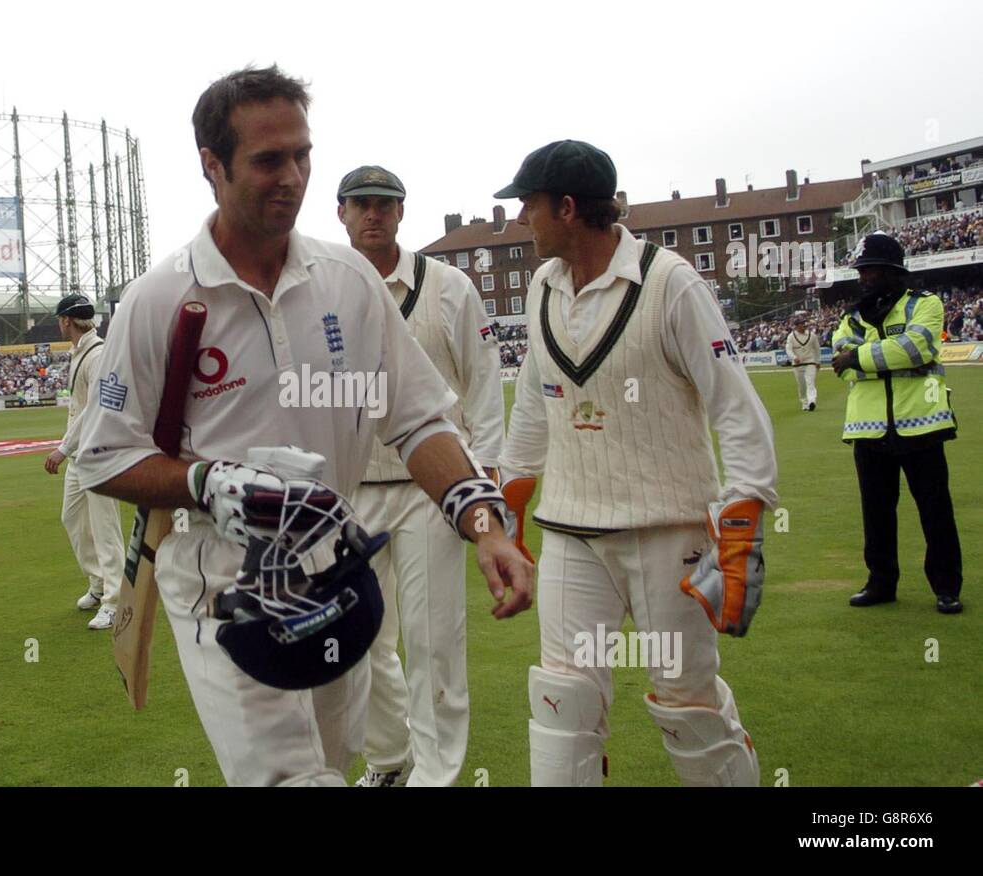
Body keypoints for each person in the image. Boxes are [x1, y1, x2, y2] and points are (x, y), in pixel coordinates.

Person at [72, 65, 533, 787]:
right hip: (222, 585)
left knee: (330, 765)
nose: (291, 177)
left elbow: (418, 420)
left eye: (302, 155)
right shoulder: (161, 299)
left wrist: (485, 521)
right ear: (211, 165)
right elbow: (101, 457)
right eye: (267, 160)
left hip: (334, 575)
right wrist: (207, 480)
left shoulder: (347, 282)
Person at [494, 140, 778, 786]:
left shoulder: (670, 282)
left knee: (689, 708)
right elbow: (537, 406)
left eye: (528, 205)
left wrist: (742, 517)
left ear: (567, 208)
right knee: (562, 704)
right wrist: (510, 499)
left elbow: (735, 406)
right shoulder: (542, 287)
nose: (520, 219)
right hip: (570, 530)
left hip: (667, 530)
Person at [337, 165, 504, 787]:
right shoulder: (323, 288)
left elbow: (483, 384)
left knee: (433, 642)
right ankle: (387, 759)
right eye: (362, 204)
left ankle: (437, 776)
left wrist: (485, 480)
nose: (373, 214)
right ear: (342, 213)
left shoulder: (448, 286)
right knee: (362, 641)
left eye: (385, 204)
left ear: (402, 213)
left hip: (432, 491)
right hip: (351, 494)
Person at [830, 232, 963, 614]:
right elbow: (840, 358)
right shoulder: (851, 316)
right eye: (860, 270)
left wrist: (859, 359)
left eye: (869, 269)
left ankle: (946, 586)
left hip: (921, 424)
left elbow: (915, 347)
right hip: (868, 430)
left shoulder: (925, 304)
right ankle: (881, 583)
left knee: (936, 510)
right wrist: (865, 359)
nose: (862, 277)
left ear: (892, 271)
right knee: (876, 513)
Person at [43, 294, 126, 630]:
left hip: (99, 454)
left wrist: (62, 448)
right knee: (72, 519)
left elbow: (96, 408)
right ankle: (97, 583)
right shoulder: (79, 351)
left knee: (106, 530)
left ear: (66, 320)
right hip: (81, 455)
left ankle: (115, 601)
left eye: (59, 320)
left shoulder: (99, 353)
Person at [785, 318, 821, 411]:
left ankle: (812, 401)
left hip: (810, 362)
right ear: (796, 326)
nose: (804, 325)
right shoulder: (791, 336)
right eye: (801, 324)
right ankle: (804, 403)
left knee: (810, 382)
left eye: (804, 323)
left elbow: (817, 349)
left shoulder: (812, 335)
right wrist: (794, 357)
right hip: (797, 364)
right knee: (801, 385)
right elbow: (788, 349)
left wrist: (817, 361)